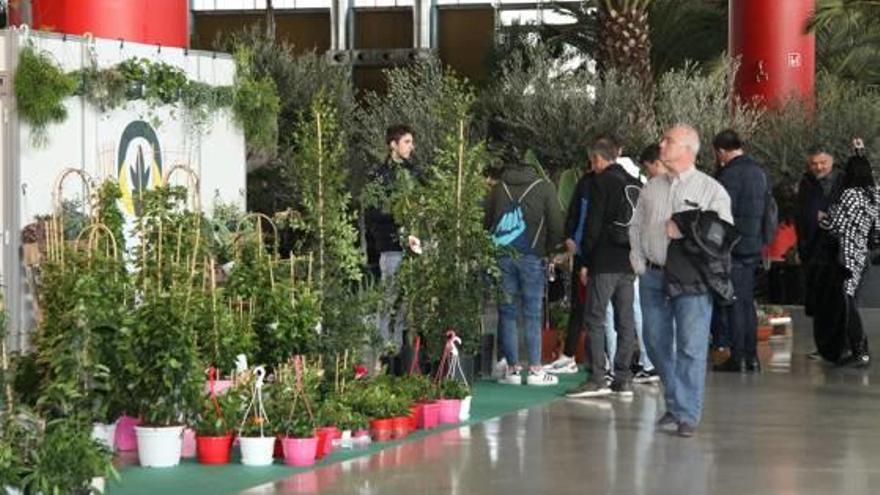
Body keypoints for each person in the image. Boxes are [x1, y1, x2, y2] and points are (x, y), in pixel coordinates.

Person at [630, 124, 733, 437]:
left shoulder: (711, 189)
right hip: (653, 275)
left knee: (691, 345)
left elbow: (723, 235)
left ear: (688, 150)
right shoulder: (651, 187)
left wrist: (687, 227)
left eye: (669, 141)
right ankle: (677, 403)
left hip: (692, 280)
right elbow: (634, 225)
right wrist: (637, 260)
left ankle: (686, 413)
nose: (662, 144)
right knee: (655, 342)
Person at [565, 137, 639, 398]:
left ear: (598, 159)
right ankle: (623, 377)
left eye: (592, 161)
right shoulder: (635, 183)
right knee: (625, 320)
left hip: (605, 261)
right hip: (629, 262)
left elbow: (592, 225)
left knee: (594, 318)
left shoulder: (600, 182)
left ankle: (597, 377)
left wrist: (585, 261)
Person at [485, 148, 564, 386]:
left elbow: (485, 220)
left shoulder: (498, 188)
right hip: (532, 257)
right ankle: (536, 370)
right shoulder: (544, 188)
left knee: (507, 313)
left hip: (502, 257)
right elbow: (556, 224)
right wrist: (549, 250)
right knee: (532, 313)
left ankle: (512, 369)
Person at [711, 130, 771, 373]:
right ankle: (752, 356)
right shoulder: (759, 172)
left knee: (734, 302)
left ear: (721, 151)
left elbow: (721, 214)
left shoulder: (728, 175)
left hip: (733, 247)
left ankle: (739, 357)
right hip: (754, 244)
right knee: (747, 303)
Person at [818, 140, 879, 367]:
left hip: (846, 253)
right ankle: (854, 348)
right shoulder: (875, 195)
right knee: (849, 300)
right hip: (862, 252)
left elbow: (838, 226)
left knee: (847, 302)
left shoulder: (850, 195)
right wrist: (859, 150)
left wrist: (824, 220)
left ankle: (859, 349)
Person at [365, 124, 420, 354]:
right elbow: (371, 212)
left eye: (411, 142)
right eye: (406, 142)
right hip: (391, 246)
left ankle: (398, 353)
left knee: (407, 303)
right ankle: (384, 352)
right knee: (390, 300)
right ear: (393, 145)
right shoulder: (379, 175)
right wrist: (399, 213)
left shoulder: (415, 172)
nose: (411, 147)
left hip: (414, 246)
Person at [543, 154, 596, 375]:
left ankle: (590, 360)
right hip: (588, 255)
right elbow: (580, 218)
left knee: (588, 309)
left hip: (589, 256)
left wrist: (573, 244)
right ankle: (575, 356)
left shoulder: (588, 184)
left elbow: (580, 220)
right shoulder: (589, 184)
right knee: (583, 306)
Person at [795, 146, 846, 361]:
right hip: (814, 252)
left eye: (822, 162)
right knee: (819, 302)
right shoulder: (807, 183)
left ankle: (843, 346)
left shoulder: (845, 182)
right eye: (814, 163)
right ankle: (824, 346)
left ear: (832, 160)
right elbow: (801, 217)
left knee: (840, 303)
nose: (818, 167)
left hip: (839, 251)